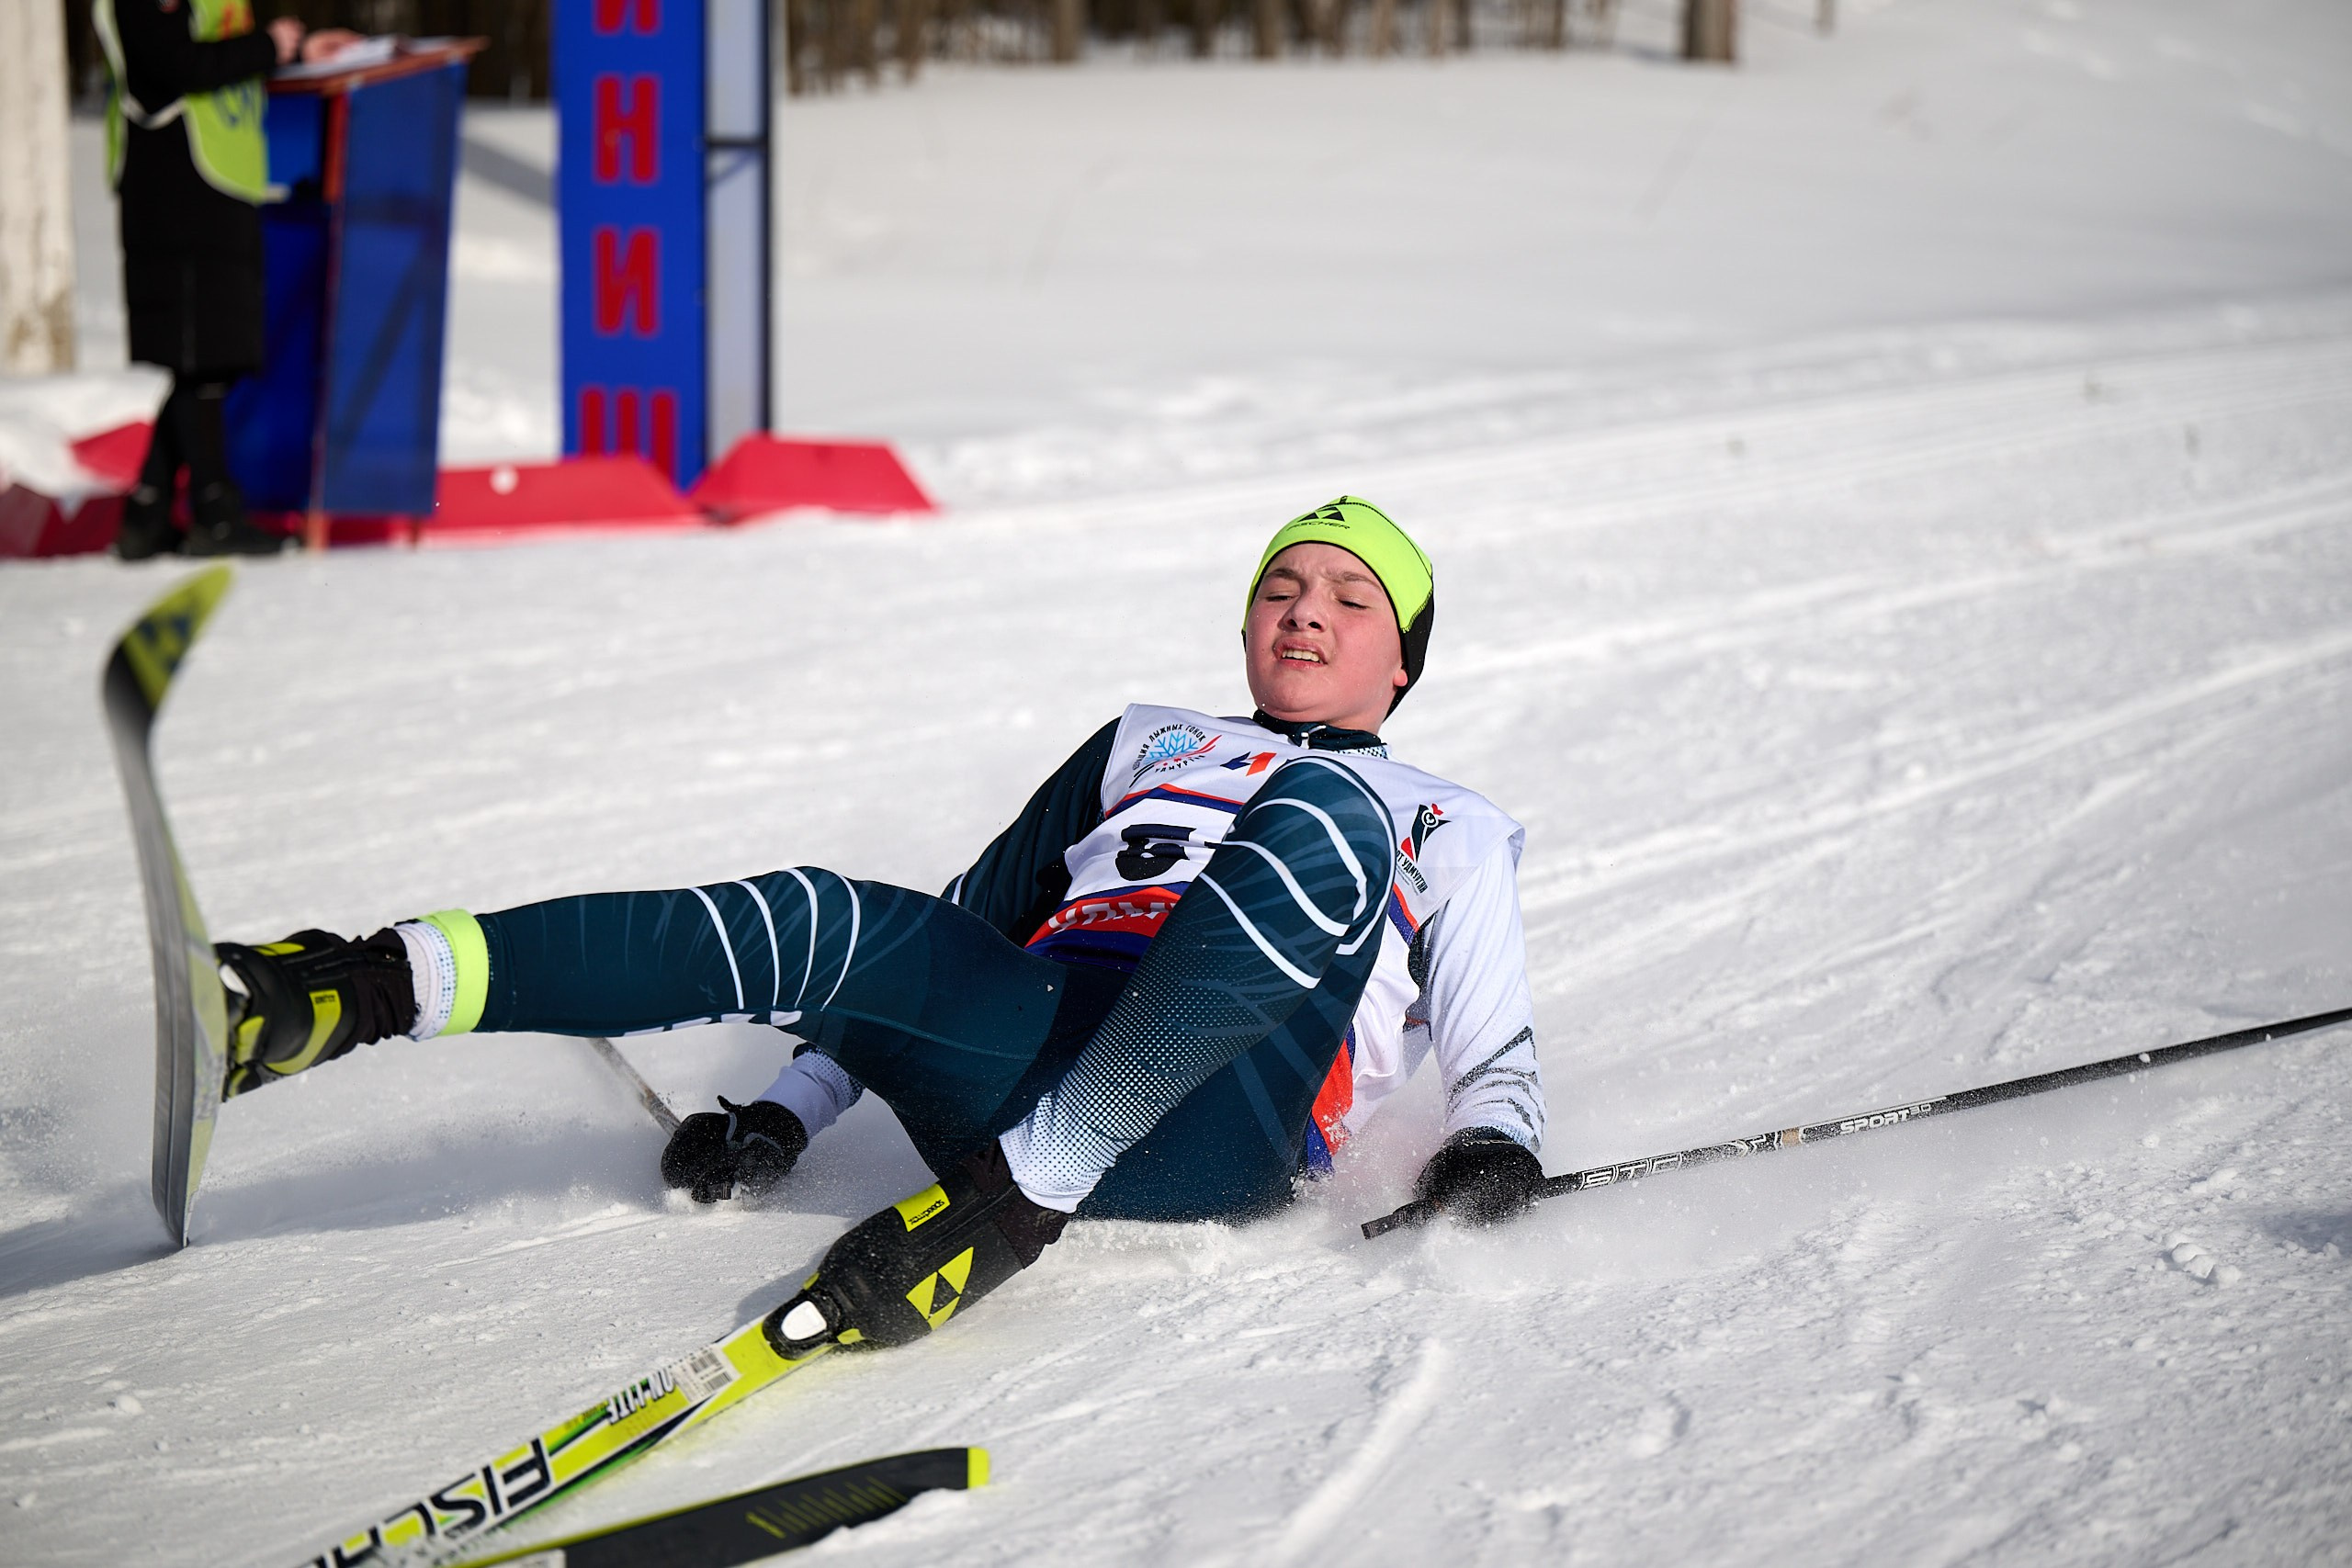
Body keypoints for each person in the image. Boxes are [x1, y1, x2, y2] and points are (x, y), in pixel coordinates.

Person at [209, 498, 1549, 1352]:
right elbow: (966, 921)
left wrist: (1494, 1146)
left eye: (1347, 594)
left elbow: (1495, 1056)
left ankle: (1026, 1192)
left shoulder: (1442, 815)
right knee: (837, 914)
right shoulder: (1150, 738)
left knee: (1325, 814)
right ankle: (349, 988)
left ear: (1402, 662)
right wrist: (788, 1113)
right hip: (1031, 1055)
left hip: (1222, 1103)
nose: (1304, 606)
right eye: (1280, 586)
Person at [95, 0, 356, 559]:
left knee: (214, 352)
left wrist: (296, 54)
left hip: (218, 181)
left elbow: (212, 61)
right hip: (177, 183)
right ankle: (215, 511)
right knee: (201, 351)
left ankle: (149, 509)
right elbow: (163, 64)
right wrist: (265, 46)